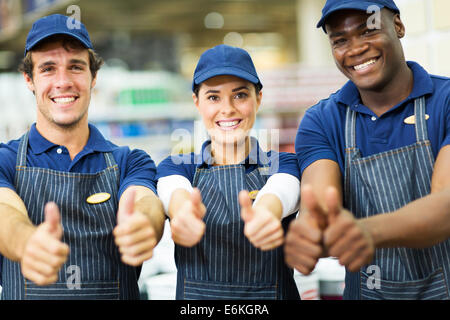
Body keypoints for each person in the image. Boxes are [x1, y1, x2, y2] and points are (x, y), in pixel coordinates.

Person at [285, 0, 450, 300]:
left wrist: (367, 232)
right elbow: (320, 203)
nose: (355, 48)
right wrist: (312, 232)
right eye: (340, 40)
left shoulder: (446, 102)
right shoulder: (322, 121)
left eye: (367, 31)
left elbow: (446, 206)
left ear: (398, 26)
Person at [0, 14, 165, 300]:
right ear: (29, 79)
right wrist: (27, 242)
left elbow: (143, 200)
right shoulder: (6, 161)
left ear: (94, 77)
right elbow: (5, 212)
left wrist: (144, 224)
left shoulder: (130, 161)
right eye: (48, 69)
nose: (63, 82)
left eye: (75, 67)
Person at [156, 44, 301, 299]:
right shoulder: (177, 166)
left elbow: (281, 190)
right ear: (197, 102)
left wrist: (266, 213)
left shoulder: (285, 164)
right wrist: (183, 212)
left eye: (240, 95)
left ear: (258, 98)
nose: (227, 109)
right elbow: (174, 191)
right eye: (213, 97)